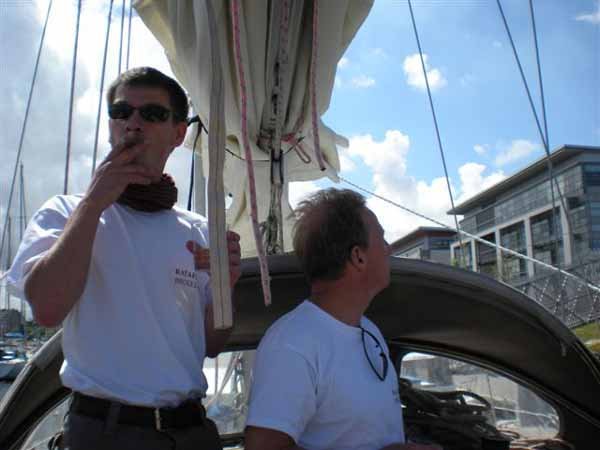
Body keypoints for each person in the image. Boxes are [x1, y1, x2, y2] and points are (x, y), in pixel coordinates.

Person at [6, 67, 240, 450]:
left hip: (190, 431)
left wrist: (225, 285)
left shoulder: (199, 232)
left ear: (178, 134)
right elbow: (47, 309)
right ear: (110, 126)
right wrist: (94, 202)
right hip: (105, 432)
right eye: (121, 112)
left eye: (152, 114)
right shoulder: (65, 213)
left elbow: (211, 343)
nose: (133, 123)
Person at [244, 188, 438, 450]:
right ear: (358, 257)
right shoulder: (292, 344)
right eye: (381, 239)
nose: (389, 248)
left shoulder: (370, 331)